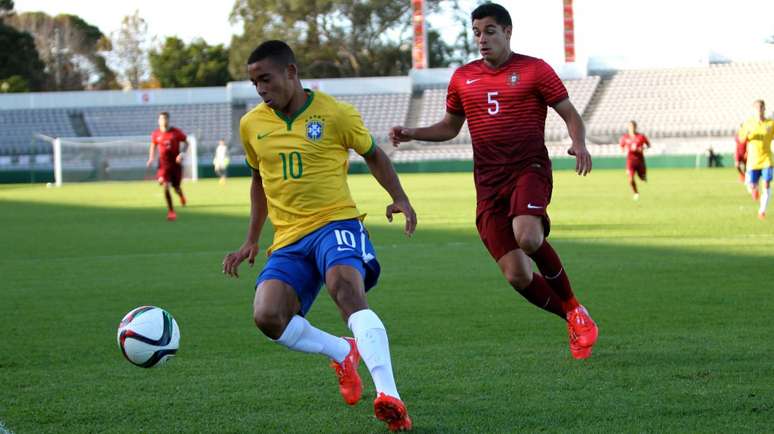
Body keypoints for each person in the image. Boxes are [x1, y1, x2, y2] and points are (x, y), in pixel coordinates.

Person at [222, 40, 416, 431]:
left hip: (336, 223)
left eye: (266, 79)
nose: (260, 89)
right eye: (254, 83)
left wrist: (399, 198)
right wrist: (251, 238)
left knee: (345, 289)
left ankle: (388, 394)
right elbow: (259, 180)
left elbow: (374, 154)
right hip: (289, 238)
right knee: (268, 316)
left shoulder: (335, 114)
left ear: (291, 73)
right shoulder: (252, 125)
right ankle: (342, 351)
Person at [389, 3, 598, 360]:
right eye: (476, 33)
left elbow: (570, 114)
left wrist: (578, 142)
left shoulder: (535, 70)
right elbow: (450, 127)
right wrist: (413, 133)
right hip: (488, 183)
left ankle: (574, 305)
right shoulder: (462, 78)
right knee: (517, 275)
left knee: (528, 236)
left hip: (528, 169)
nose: (482, 39)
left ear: (507, 32)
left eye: (489, 31)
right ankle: (574, 317)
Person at [147, 112, 188, 221]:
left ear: (168, 120)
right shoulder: (156, 134)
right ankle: (171, 211)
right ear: (158, 121)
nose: (163, 121)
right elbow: (153, 145)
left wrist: (182, 153)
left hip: (176, 165)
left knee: (176, 188)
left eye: (165, 119)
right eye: (161, 119)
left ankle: (181, 196)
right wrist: (151, 157)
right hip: (163, 165)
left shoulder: (176, 132)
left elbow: (187, 142)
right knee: (165, 186)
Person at [739, 99, 774, 219]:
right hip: (753, 161)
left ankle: (762, 211)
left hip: (766, 159)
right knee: (751, 185)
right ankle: (754, 189)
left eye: (761, 108)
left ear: (764, 109)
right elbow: (741, 139)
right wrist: (746, 132)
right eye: (757, 108)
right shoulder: (749, 123)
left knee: (767, 183)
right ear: (754, 110)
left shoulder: (770, 123)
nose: (759, 110)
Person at [619, 120, 650, 200]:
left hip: (640, 160)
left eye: (632, 126)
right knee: (630, 179)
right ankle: (636, 193)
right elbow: (622, 147)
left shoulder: (641, 136)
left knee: (642, 178)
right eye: (629, 126)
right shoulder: (625, 137)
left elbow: (648, 145)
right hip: (630, 161)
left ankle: (643, 176)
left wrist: (641, 148)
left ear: (635, 127)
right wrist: (624, 149)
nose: (631, 128)